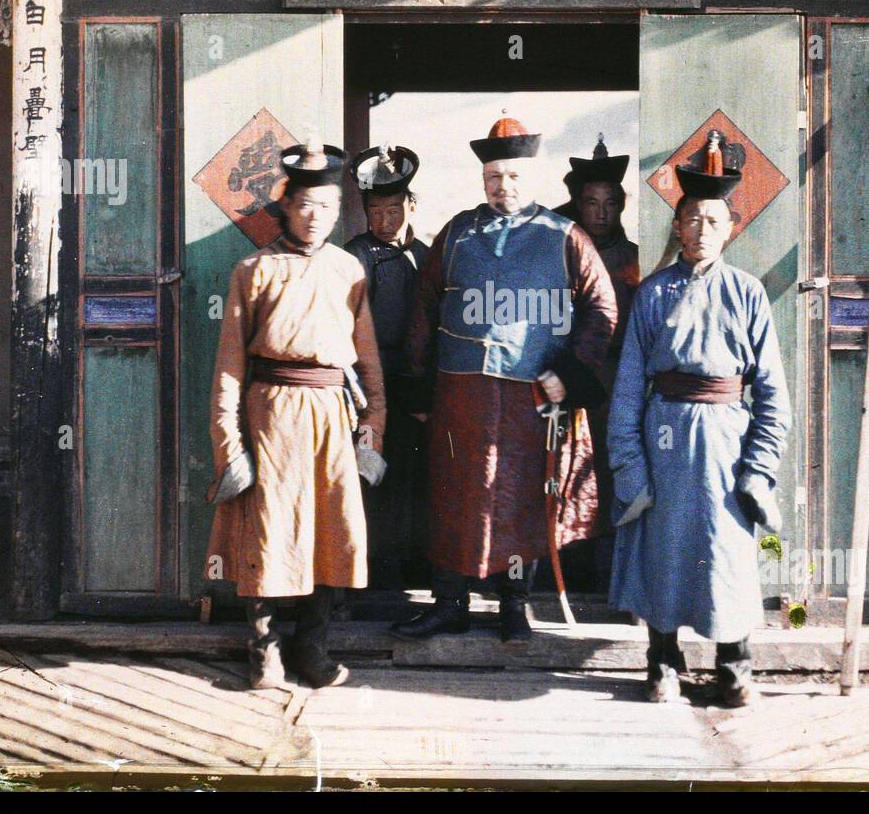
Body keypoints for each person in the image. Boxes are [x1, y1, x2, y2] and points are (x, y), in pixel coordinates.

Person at [392, 114, 617, 642]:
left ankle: (515, 605)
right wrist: (420, 388)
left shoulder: (564, 236)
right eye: (494, 177)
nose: (503, 187)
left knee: (519, 497)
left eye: (513, 176)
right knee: (453, 494)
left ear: (530, 177)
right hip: (459, 394)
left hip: (530, 397)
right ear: (483, 179)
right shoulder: (456, 235)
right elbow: (424, 310)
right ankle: (450, 602)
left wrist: (568, 374)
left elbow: (601, 308)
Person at [607, 132, 791, 707]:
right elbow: (629, 388)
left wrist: (759, 469)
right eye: (691, 219)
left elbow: (772, 393)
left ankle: (734, 668)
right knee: (663, 550)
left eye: (713, 221)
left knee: (726, 551)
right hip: (664, 441)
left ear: (729, 227)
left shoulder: (748, 293)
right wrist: (629, 466)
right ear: (678, 225)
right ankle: (662, 662)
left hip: (727, 443)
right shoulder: (653, 294)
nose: (701, 231)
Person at [204, 135, 387, 690]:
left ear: (338, 211)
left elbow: (369, 359)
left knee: (331, 527)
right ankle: (264, 652)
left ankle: (313, 646)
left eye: (327, 206)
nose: (315, 217)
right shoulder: (252, 270)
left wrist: (373, 424)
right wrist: (229, 444)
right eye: (305, 205)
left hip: (332, 411)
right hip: (272, 413)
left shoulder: (349, 271)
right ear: (286, 206)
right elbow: (230, 367)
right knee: (268, 527)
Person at [552, 136, 640, 588]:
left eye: (609, 203)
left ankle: (606, 574)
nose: (601, 212)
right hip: (562, 379)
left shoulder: (633, 261)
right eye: (591, 202)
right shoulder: (560, 252)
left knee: (605, 471)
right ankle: (558, 568)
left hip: (613, 382)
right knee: (559, 470)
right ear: (579, 204)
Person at [343, 144, 431, 588]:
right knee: (366, 472)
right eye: (375, 211)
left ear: (410, 205)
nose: (384, 221)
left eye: (393, 209)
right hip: (366, 382)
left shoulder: (428, 255)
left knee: (412, 475)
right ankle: (368, 570)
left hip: (414, 383)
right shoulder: (354, 255)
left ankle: (409, 567)